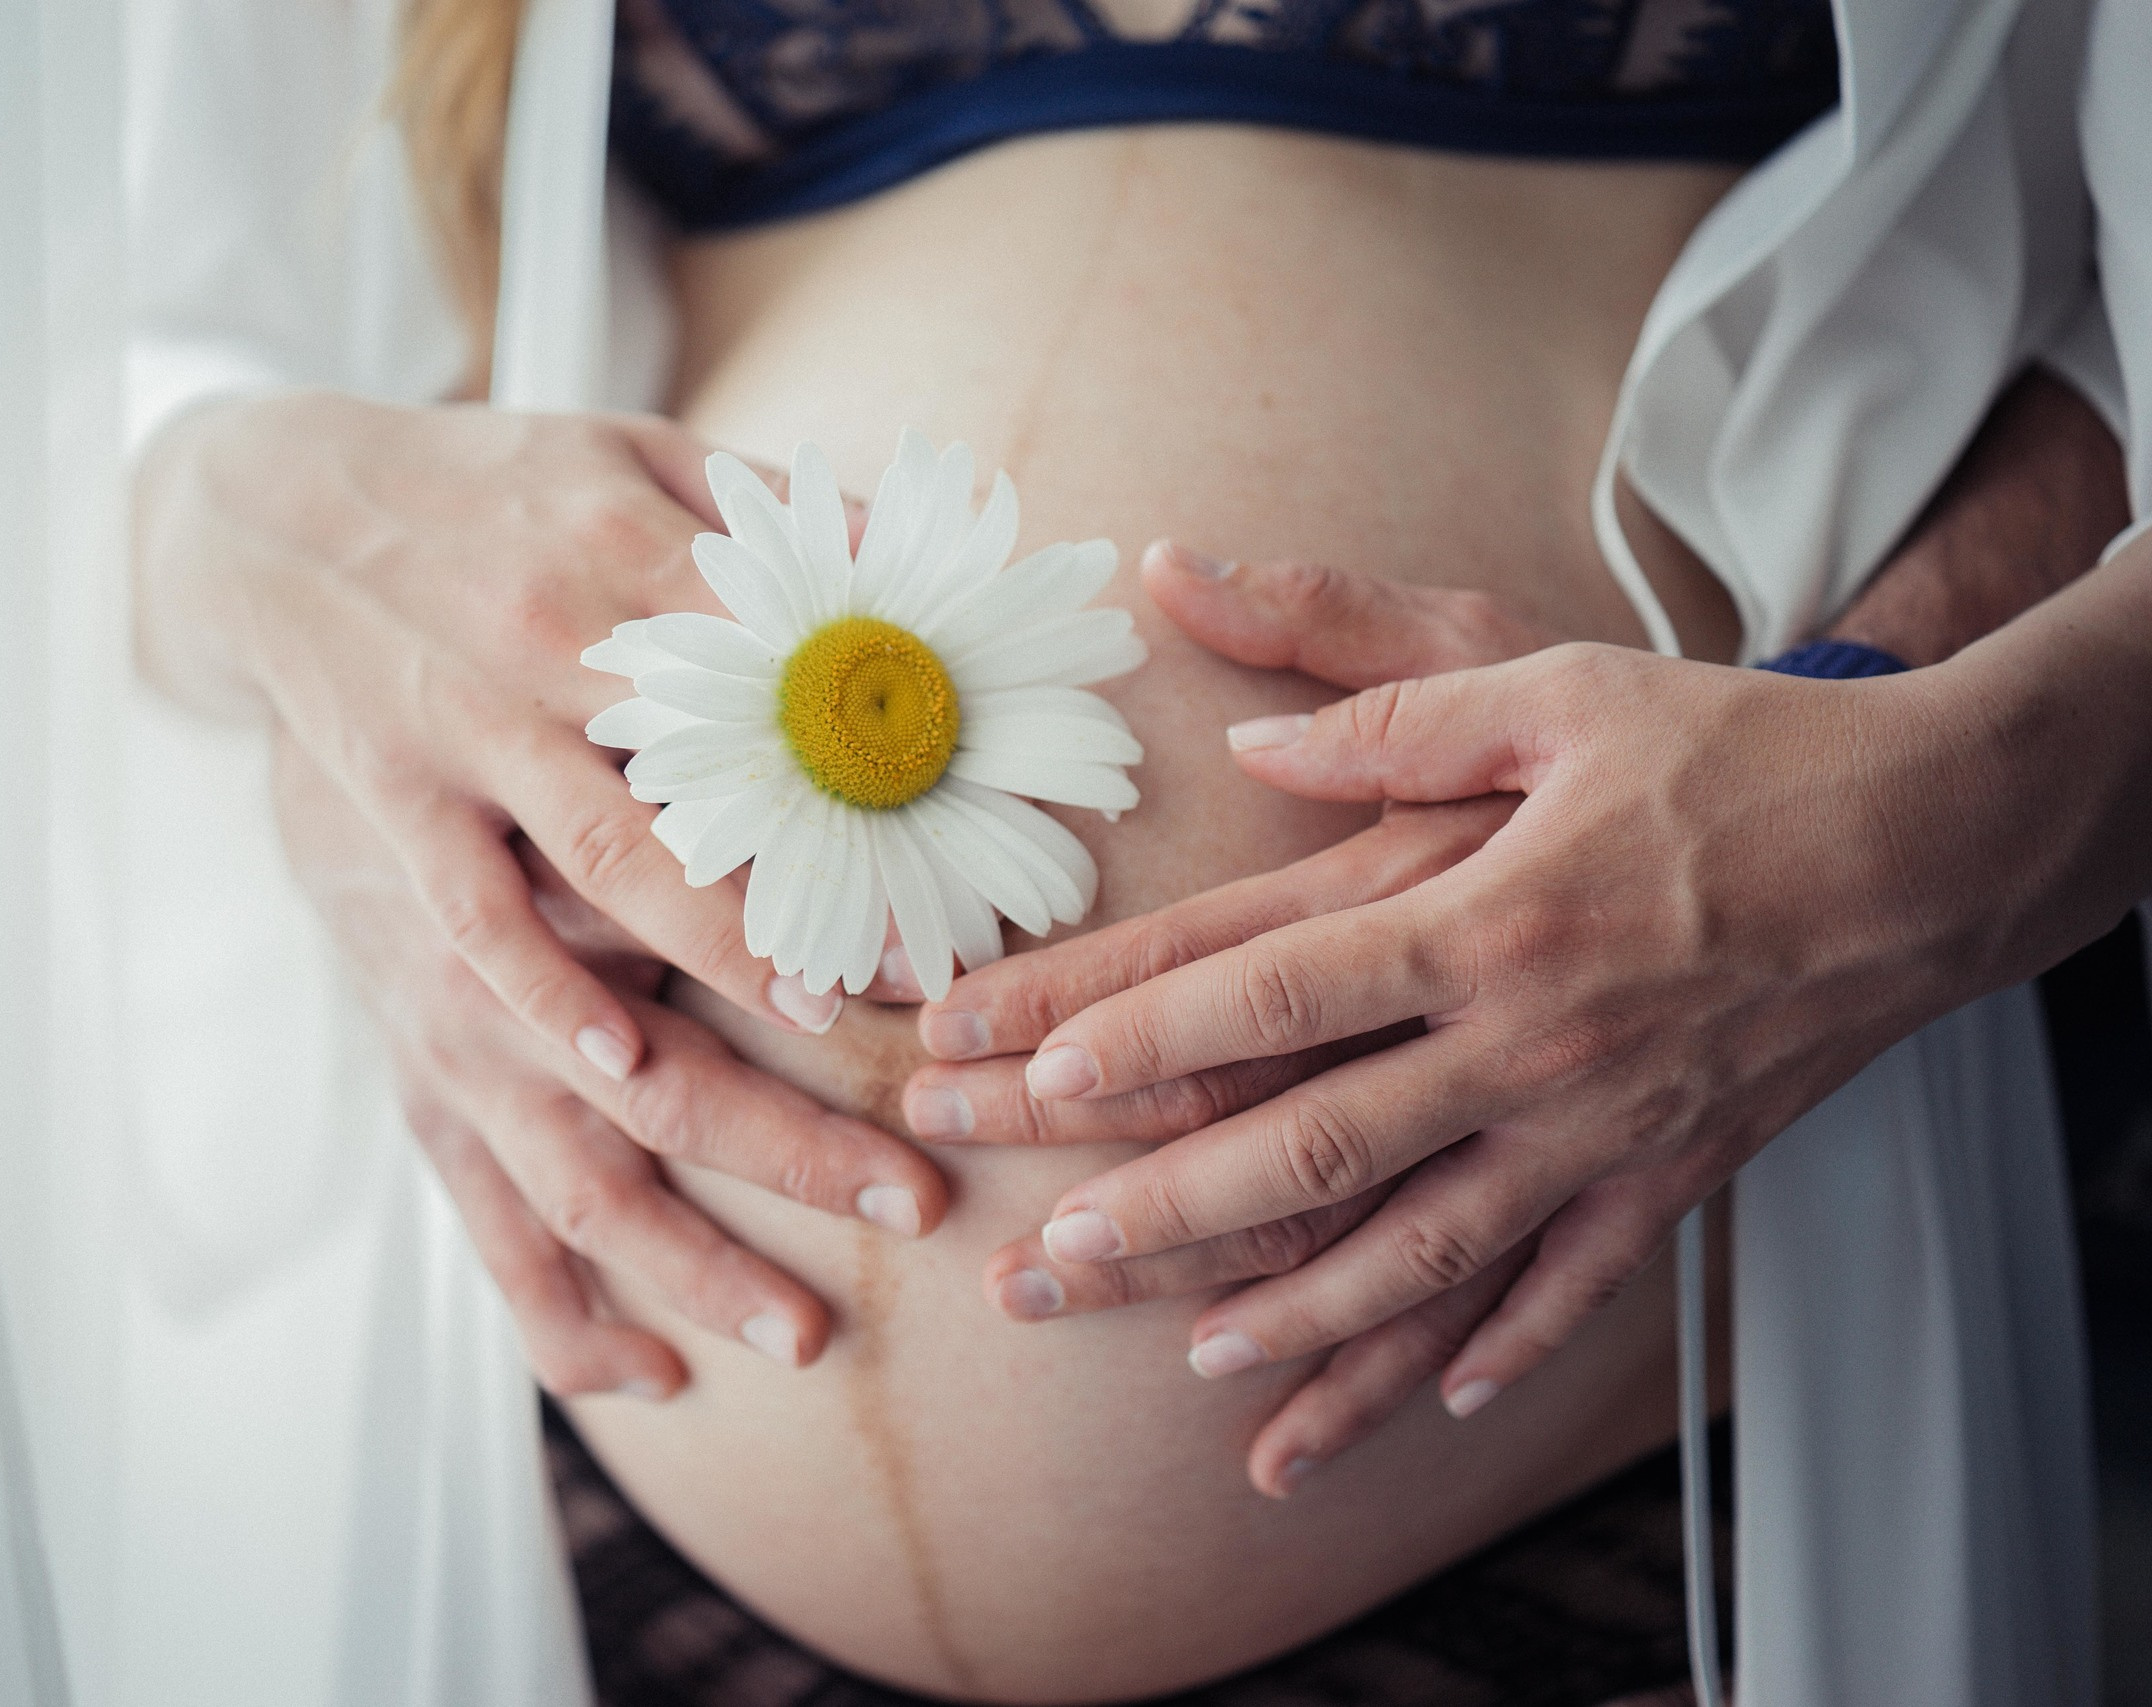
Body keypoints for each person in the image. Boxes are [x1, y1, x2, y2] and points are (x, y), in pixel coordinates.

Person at [126, 0, 2137, 1699]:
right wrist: (273, 549)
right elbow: (93, 391)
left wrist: (1914, 792)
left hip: (1619, 1372)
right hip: (578, 1446)